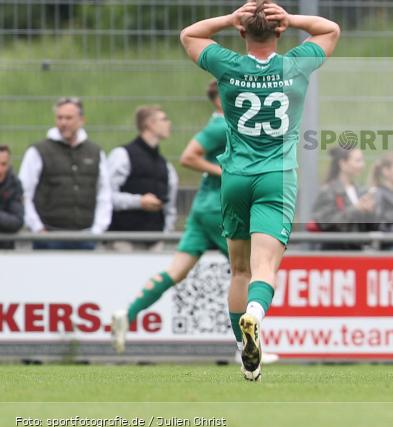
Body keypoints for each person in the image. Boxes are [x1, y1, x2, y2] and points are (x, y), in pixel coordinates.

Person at [180, 0, 340, 381]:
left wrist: (229, 19)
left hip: (235, 176)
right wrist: (293, 19)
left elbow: (189, 35)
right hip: (276, 175)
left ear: (241, 30)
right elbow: (330, 29)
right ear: (279, 30)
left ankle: (243, 353)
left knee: (238, 270)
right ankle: (256, 314)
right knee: (264, 266)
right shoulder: (296, 65)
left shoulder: (227, 65)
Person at [110, 82, 277, 366]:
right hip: (217, 207)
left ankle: (127, 314)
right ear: (220, 100)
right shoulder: (221, 125)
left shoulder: (232, 124)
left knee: (176, 271)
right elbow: (188, 157)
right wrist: (226, 171)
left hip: (202, 208)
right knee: (248, 272)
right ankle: (244, 349)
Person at [19, 97, 112, 249]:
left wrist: (98, 230)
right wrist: (38, 229)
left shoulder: (95, 152)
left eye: (68, 118)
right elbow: (24, 193)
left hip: (86, 236)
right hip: (48, 236)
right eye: (59, 117)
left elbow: (104, 193)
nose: (63, 123)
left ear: (82, 120)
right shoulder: (38, 151)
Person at [107, 106, 178, 251]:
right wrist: (139, 202)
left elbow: (170, 208)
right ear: (150, 124)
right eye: (164, 119)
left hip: (155, 243)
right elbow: (107, 196)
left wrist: (165, 235)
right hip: (123, 241)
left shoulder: (166, 166)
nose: (169, 123)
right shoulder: (122, 155)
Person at [310, 147, 378, 247]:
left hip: (356, 250)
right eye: (358, 161)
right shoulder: (328, 191)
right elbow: (325, 223)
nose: (362, 165)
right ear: (343, 163)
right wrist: (356, 209)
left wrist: (369, 212)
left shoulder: (358, 191)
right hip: (335, 253)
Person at [0, 145, 24, 245]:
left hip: (5, 251)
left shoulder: (14, 184)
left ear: (9, 164)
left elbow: (17, 221)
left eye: (3, 164)